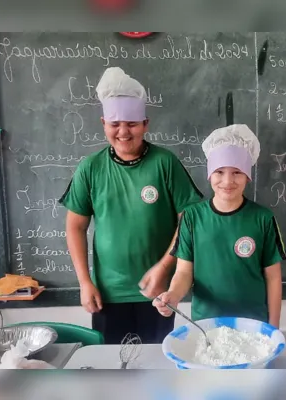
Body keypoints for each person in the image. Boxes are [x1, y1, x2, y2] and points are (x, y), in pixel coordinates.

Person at [60, 67, 203, 344]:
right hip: (107, 294)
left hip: (159, 292)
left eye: (132, 123)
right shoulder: (90, 168)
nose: (123, 132)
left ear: (146, 124)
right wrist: (84, 282)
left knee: (155, 365)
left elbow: (190, 218)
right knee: (113, 368)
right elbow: (75, 227)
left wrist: (164, 267)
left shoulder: (165, 163)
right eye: (115, 124)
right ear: (103, 123)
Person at [153, 124, 286, 327]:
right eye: (219, 171)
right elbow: (183, 272)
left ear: (248, 176)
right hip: (206, 325)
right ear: (209, 174)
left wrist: (274, 326)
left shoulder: (263, 218)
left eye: (237, 172)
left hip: (253, 323)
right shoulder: (192, 217)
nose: (227, 181)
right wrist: (172, 295)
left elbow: (273, 277)